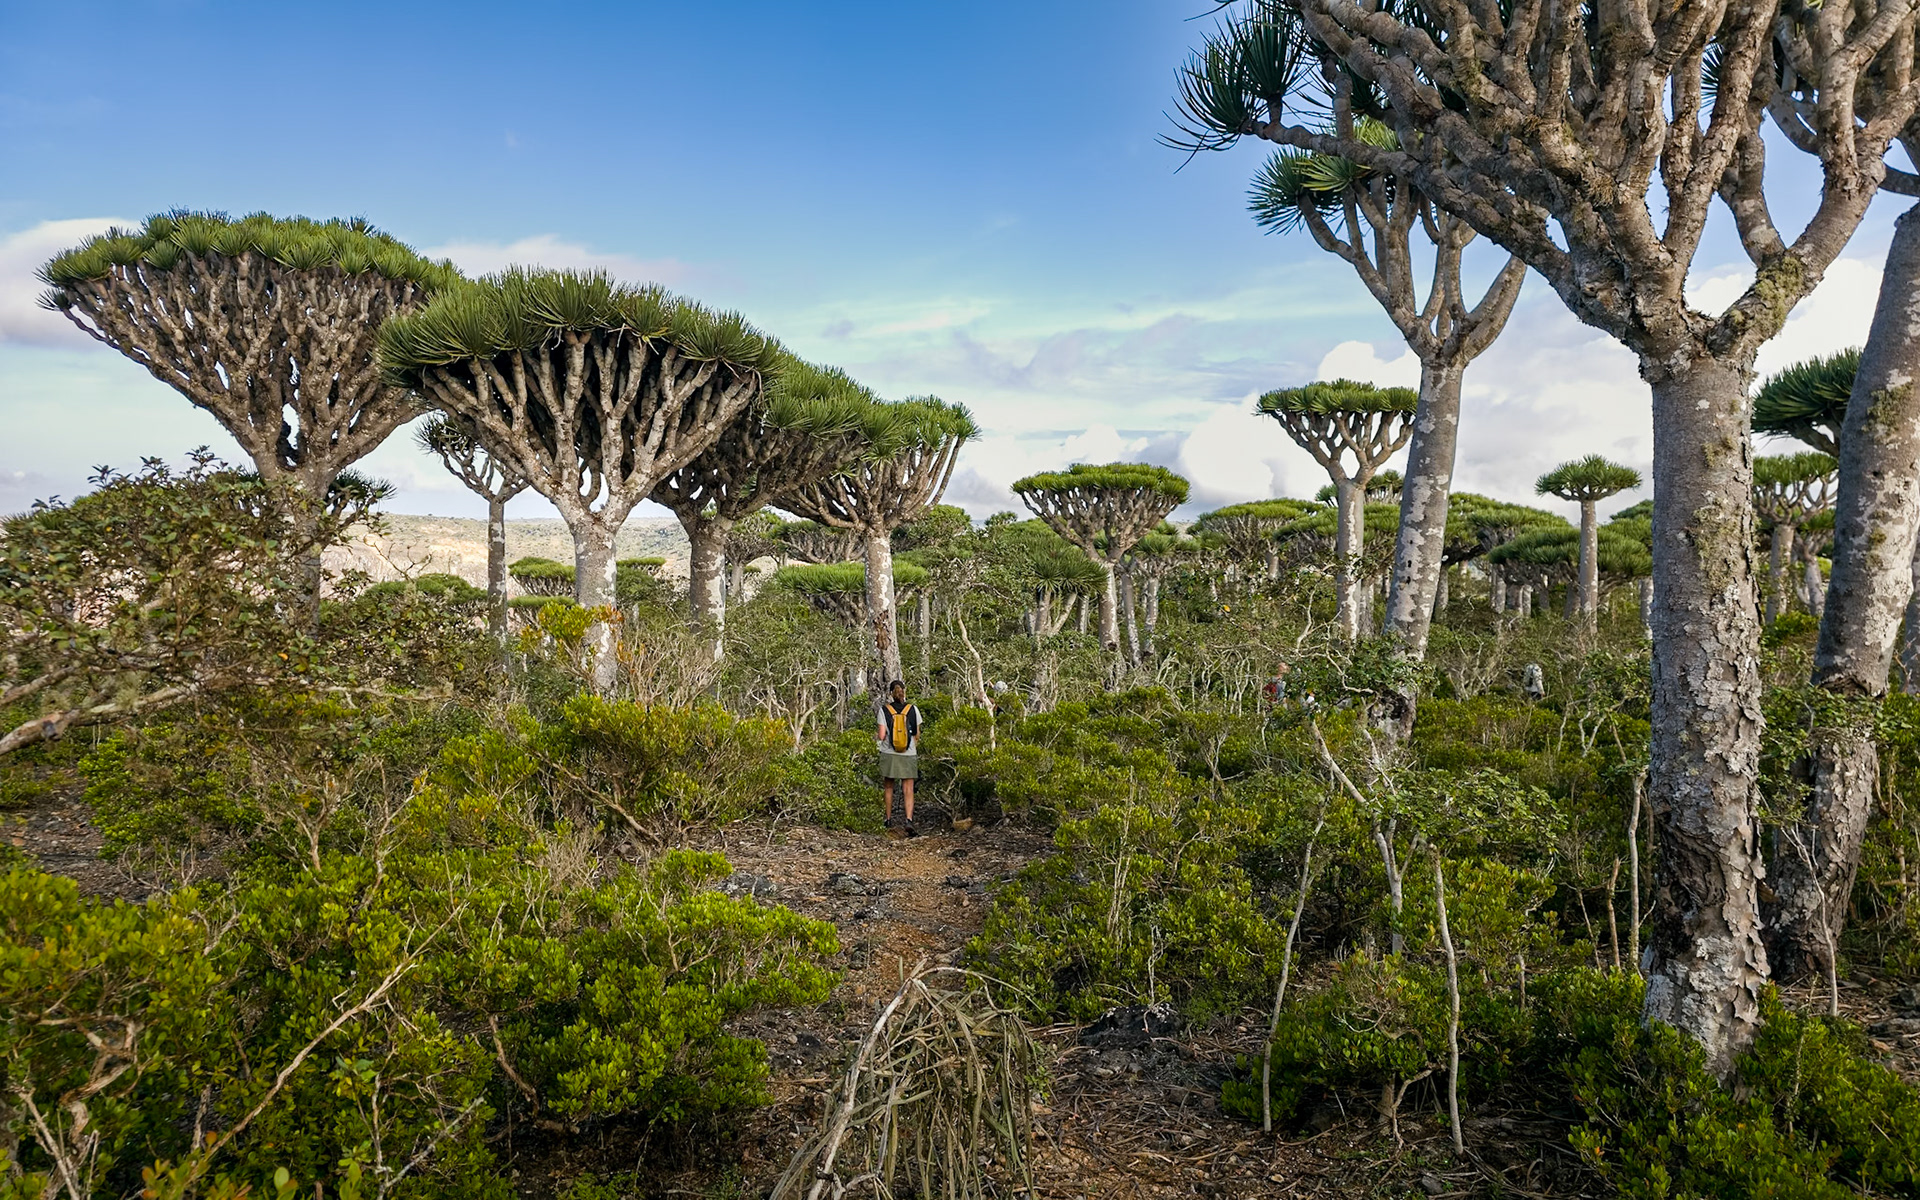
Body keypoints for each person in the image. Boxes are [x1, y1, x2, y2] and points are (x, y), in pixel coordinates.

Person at [876, 679, 921, 836]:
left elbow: (882, 735)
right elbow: (916, 734)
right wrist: (909, 747)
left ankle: (888, 819)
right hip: (908, 754)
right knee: (908, 788)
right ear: (904, 691)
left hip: (889, 753)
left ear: (890, 693)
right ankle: (908, 820)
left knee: (889, 787)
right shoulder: (913, 709)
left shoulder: (884, 710)